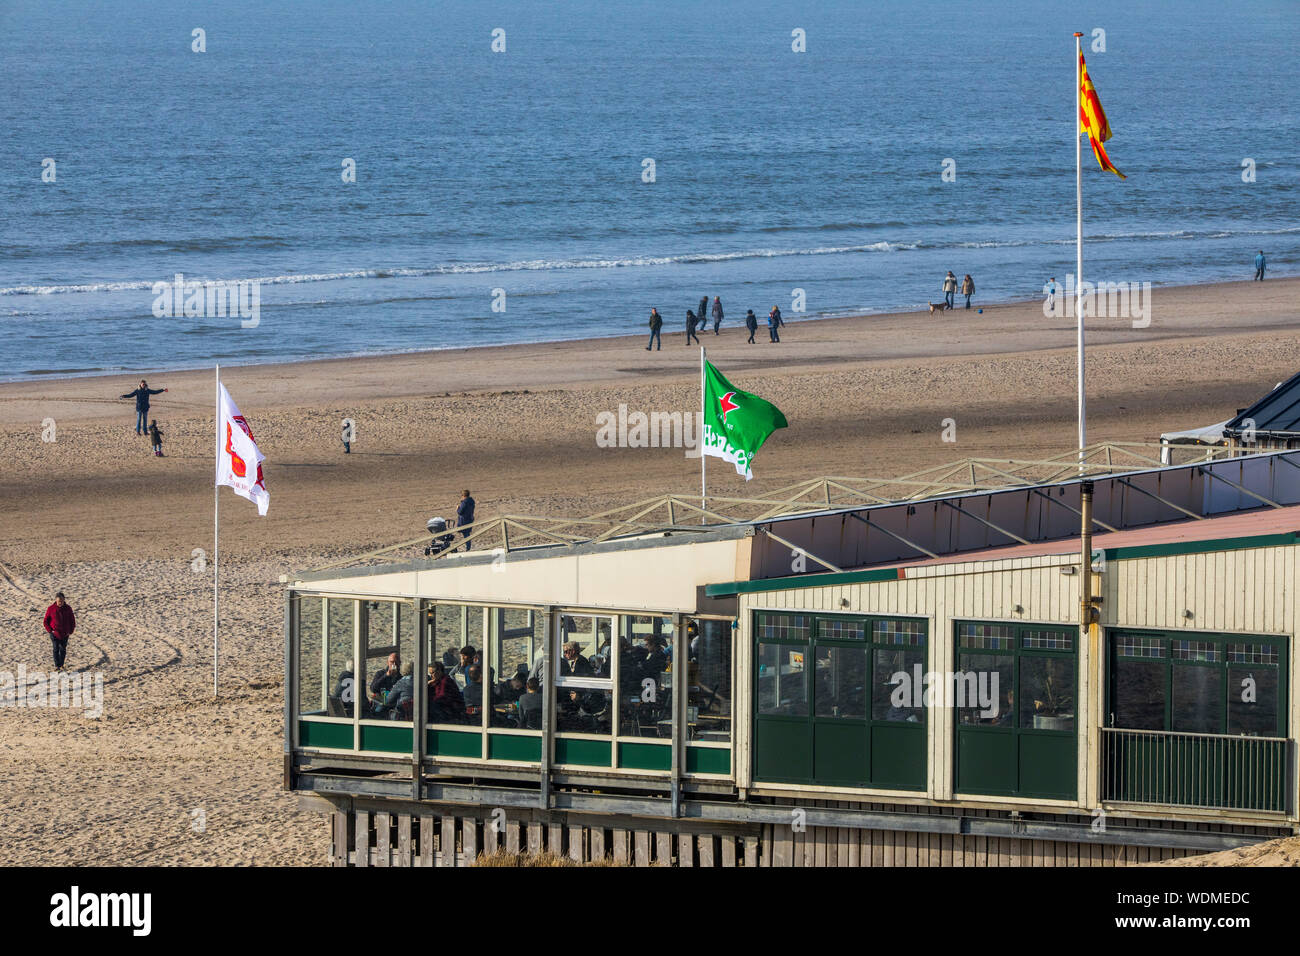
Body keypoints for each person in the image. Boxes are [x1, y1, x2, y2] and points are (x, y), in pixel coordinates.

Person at [43, 591, 76, 672]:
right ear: (56, 601)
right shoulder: (51, 608)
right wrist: (50, 631)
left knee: (63, 649)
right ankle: (57, 665)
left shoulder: (68, 608)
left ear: (64, 600)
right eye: (58, 601)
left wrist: (70, 631)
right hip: (54, 633)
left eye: (61, 601)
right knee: (55, 648)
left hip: (65, 633)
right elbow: (45, 621)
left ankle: (61, 665)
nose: (60, 603)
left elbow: (72, 620)